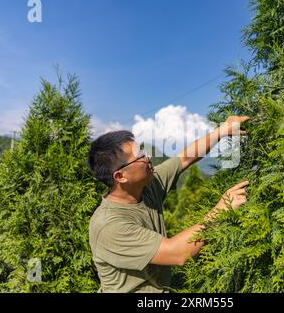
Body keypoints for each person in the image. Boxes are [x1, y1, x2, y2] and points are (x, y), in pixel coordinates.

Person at [87, 115, 250, 292]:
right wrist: (221, 210)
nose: (148, 157)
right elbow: (178, 253)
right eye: (140, 156)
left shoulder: (146, 186)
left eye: (143, 150)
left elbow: (184, 158)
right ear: (120, 176)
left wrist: (222, 131)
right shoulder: (110, 226)